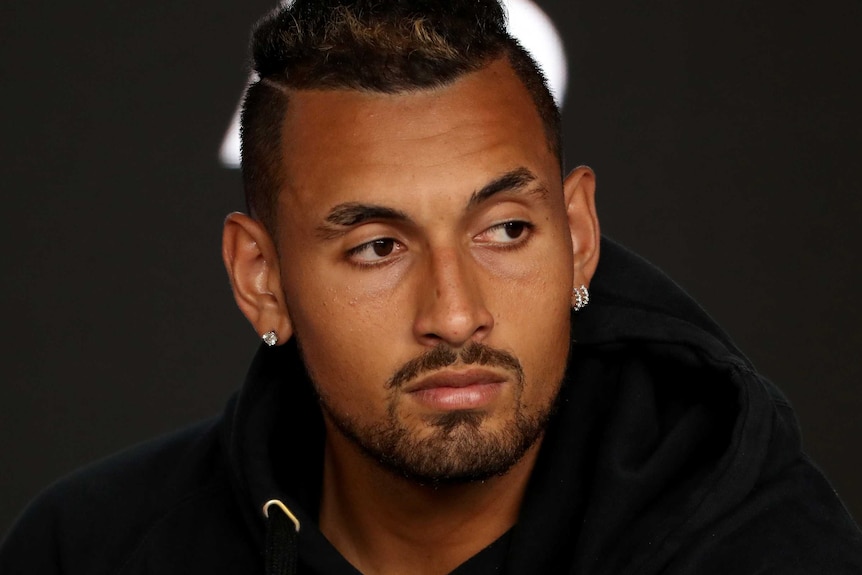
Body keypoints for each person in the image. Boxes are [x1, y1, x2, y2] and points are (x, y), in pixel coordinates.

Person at [2, 0, 861, 573]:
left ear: (581, 234)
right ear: (261, 280)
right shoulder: (92, 549)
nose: (455, 314)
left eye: (507, 231)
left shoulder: (759, 546)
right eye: (378, 247)